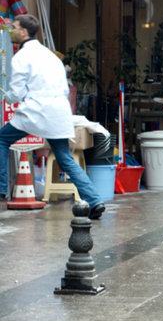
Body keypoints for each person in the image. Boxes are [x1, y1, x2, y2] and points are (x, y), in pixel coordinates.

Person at [0, 14, 105, 217]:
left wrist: (7, 97)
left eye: (14, 26)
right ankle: (94, 200)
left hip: (36, 112)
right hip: (59, 113)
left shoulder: (21, 56)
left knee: (2, 139)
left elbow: (17, 93)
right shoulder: (50, 55)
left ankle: (1, 188)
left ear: (23, 32)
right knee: (65, 158)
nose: (11, 30)